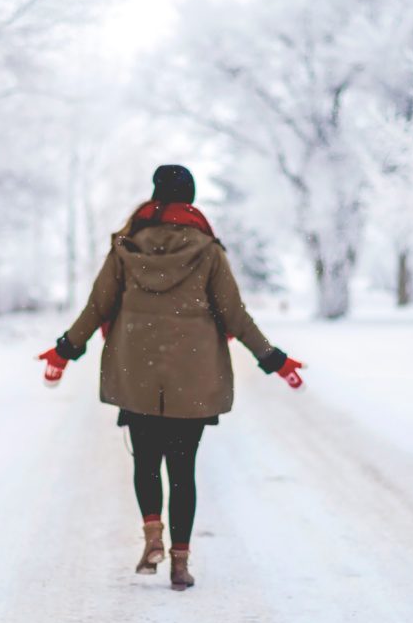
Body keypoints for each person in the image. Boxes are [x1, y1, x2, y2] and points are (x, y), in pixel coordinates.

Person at [38, 165, 305, 591]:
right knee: (183, 471)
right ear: (191, 200)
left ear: (156, 197)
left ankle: (152, 537)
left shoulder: (126, 247)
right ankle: (180, 565)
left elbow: (97, 307)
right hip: (193, 376)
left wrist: (65, 349)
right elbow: (235, 315)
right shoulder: (208, 252)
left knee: (145, 462)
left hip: (135, 372)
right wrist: (275, 360)